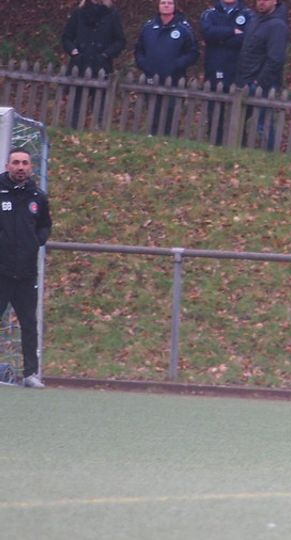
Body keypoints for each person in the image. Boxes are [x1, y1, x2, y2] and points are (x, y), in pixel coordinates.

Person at [0, 148, 52, 389]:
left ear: (31, 167)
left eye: (24, 163)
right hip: (1, 271)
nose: (20, 167)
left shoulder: (38, 196)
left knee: (29, 323)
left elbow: (45, 226)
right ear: (8, 166)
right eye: (16, 163)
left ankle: (30, 373)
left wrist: (35, 241)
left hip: (26, 273)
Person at [134, 0, 199, 135]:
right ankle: (151, 135)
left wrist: (176, 65)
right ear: (158, 6)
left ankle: (169, 137)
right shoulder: (148, 27)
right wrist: (145, 65)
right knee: (153, 109)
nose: (166, 5)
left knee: (171, 112)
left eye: (170, 3)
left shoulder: (183, 28)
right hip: (152, 76)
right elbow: (139, 50)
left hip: (174, 78)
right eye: (163, 3)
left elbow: (193, 53)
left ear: (174, 6)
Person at [60, 0, 126, 129]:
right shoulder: (78, 13)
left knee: (100, 105)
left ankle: (98, 132)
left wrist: (106, 54)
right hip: (80, 64)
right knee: (76, 105)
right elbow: (66, 37)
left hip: (102, 65)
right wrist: (73, 51)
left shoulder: (112, 14)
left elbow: (120, 41)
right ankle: (73, 131)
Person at [237, 0, 288, 149]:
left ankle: (269, 156)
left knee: (263, 124)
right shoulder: (254, 21)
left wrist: (258, 82)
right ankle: (238, 151)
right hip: (245, 80)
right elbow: (248, 51)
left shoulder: (278, 26)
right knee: (239, 120)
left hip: (262, 84)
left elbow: (276, 59)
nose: (261, 2)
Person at [200, 0, 253, 144]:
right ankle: (214, 144)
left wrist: (219, 40)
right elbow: (207, 33)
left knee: (239, 113)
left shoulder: (248, 14)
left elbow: (246, 38)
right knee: (214, 112)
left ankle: (238, 146)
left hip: (238, 69)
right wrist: (232, 31)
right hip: (214, 68)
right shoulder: (209, 14)